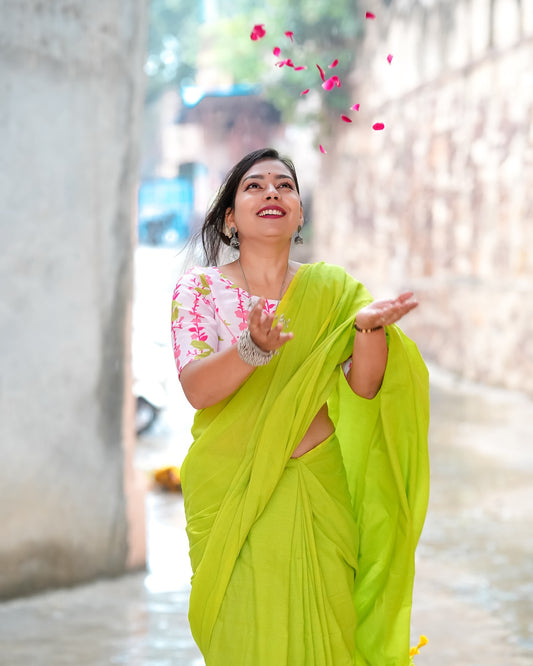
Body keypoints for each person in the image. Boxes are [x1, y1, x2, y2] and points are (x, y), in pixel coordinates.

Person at [171, 147, 430, 666]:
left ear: (300, 213)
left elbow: (363, 389)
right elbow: (198, 389)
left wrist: (367, 329)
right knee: (244, 637)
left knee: (330, 636)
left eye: (285, 185)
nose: (272, 191)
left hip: (318, 488)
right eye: (254, 185)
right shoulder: (201, 289)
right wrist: (253, 350)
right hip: (233, 493)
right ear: (229, 218)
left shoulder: (333, 291)